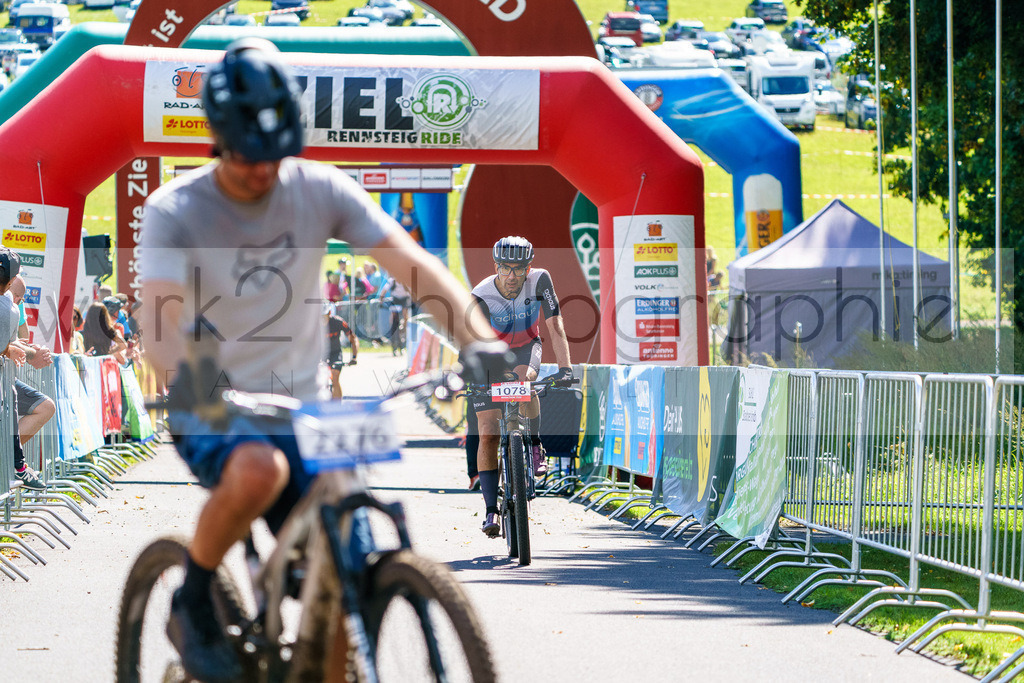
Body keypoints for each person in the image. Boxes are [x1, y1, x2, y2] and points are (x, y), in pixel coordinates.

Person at [138, 39, 507, 683]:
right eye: (250, 158)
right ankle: (193, 596)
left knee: (349, 559)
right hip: (213, 398)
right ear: (220, 143)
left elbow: (413, 267)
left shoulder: (318, 186)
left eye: (278, 154)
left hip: (303, 403)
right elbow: (160, 324)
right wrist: (194, 386)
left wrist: (479, 341)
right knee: (258, 469)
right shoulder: (176, 210)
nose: (265, 172)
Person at [470, 236, 573, 537]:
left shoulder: (541, 280)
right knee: (488, 430)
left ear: (529, 267)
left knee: (525, 380)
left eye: (519, 269)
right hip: (490, 356)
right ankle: (490, 510)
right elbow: (467, 339)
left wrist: (566, 368)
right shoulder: (481, 294)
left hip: (527, 348)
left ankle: (534, 442)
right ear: (496, 267)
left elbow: (555, 325)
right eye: (505, 268)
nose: (512, 276)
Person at [0, 251, 49, 491]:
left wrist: (27, 350)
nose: (17, 298)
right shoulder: (7, 308)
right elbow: (8, 346)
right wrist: (23, 352)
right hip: (4, 376)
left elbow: (21, 339)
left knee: (44, 406)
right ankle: (14, 463)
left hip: (7, 376)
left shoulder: (11, 307)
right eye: (15, 293)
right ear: (9, 283)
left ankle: (11, 460)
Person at [323, 302, 358, 398]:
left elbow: (353, 338)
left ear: (329, 313)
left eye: (324, 316)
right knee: (321, 380)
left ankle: (338, 407)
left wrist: (354, 357)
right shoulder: (313, 324)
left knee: (335, 377)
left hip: (335, 353)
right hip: (320, 354)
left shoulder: (338, 322)